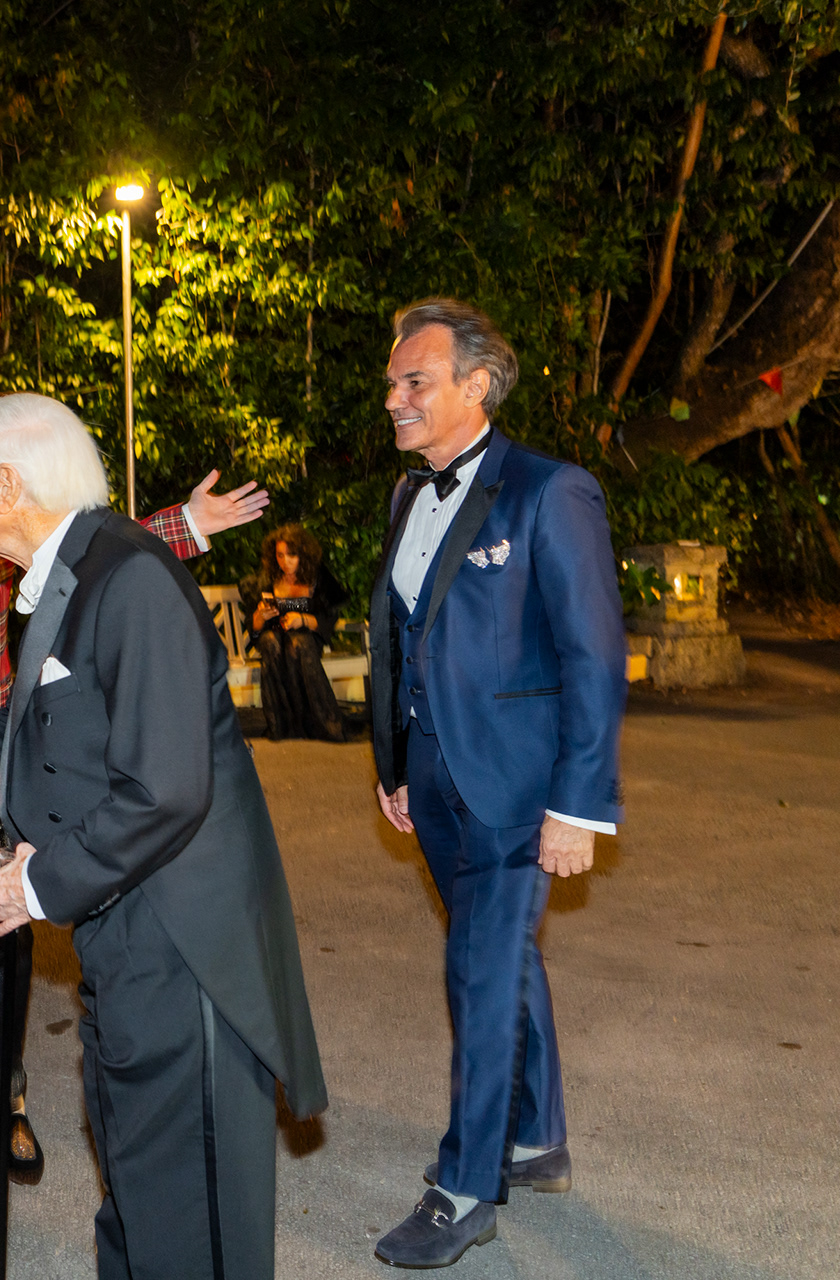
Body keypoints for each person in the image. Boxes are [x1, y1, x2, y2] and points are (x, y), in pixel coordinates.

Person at [0, 392, 325, 1280]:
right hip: (127, 926)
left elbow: (168, 791)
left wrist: (39, 883)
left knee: (187, 1212)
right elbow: (27, 730)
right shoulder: (74, 569)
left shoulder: (128, 580)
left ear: (11, 485)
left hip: (185, 949)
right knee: (134, 1182)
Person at [366, 300, 626, 1269]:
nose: (395, 398)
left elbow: (595, 655)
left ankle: (467, 1184)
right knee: (501, 954)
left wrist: (578, 805)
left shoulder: (552, 491)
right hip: (435, 776)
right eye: (393, 382)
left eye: (416, 381)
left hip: (520, 787)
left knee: (476, 969)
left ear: (476, 385)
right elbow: (401, 637)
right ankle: (538, 1135)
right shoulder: (408, 496)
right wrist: (396, 764)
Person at [240, 523, 350, 741]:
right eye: (280, 555)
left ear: (303, 554)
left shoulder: (318, 577)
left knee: (298, 643)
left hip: (306, 637)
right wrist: (260, 616)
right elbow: (254, 631)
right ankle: (281, 725)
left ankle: (317, 723)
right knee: (270, 641)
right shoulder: (267, 578)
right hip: (274, 637)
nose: (285, 562)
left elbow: (329, 618)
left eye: (291, 555)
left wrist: (303, 619)